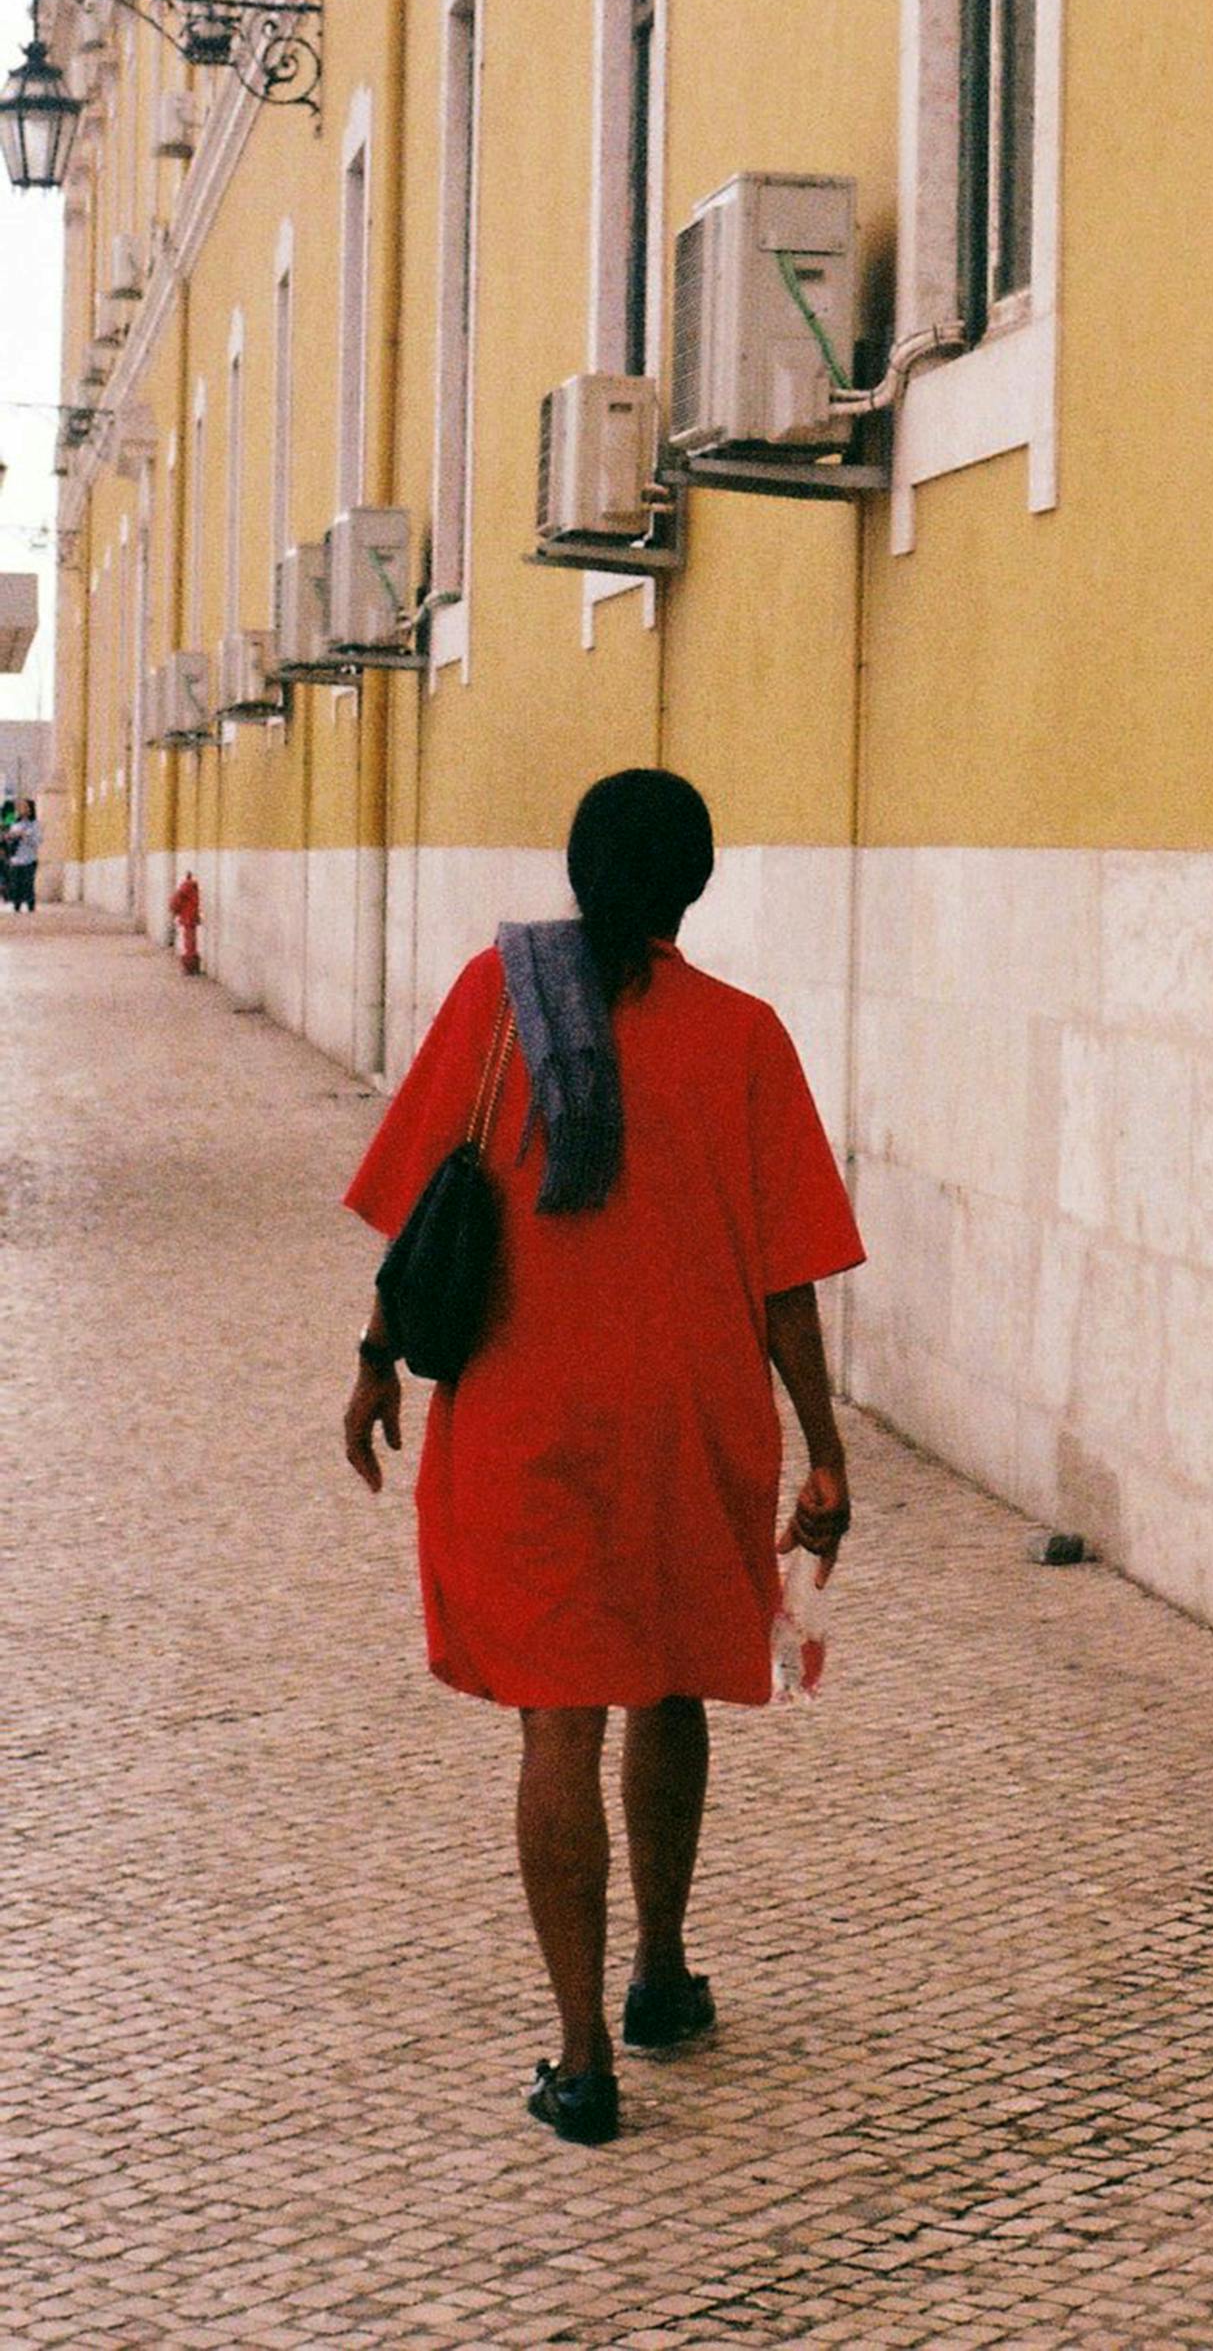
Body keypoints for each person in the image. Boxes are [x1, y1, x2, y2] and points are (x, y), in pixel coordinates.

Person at [339, 767, 862, 2146]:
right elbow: (789, 1279)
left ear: (578, 872)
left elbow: (423, 1200)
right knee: (670, 1682)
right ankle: (659, 1978)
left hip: (524, 1416)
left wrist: (374, 1356)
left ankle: (579, 2061)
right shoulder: (744, 1038)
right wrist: (824, 1451)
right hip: (688, 1422)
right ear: (693, 884)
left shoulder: (496, 1001)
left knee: (557, 1719)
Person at [2, 803, 33, 914]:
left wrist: (22, 835)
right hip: (13, 856)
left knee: (26, 882)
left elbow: (34, 840)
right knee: (14, 881)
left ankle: (27, 903)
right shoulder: (13, 822)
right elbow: (7, 837)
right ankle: (15, 902)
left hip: (26, 857)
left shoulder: (32, 824)